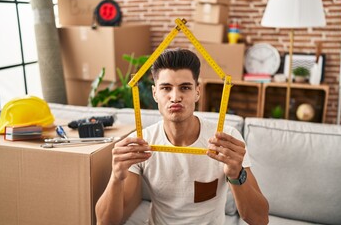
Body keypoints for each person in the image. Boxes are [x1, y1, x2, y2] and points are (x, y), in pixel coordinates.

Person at [95, 48, 269, 225]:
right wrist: (116, 177)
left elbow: (260, 220)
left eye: (185, 88)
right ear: (155, 93)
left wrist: (236, 174)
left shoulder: (224, 140)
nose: (175, 97)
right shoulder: (141, 143)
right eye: (166, 88)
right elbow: (106, 222)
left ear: (197, 92)